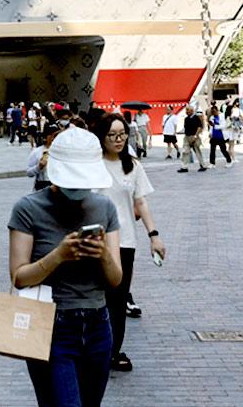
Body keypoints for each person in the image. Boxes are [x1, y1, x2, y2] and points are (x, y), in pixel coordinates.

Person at [8, 127, 123, 407]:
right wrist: (58, 255)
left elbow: (116, 279)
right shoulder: (28, 208)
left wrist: (104, 255)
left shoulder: (104, 207)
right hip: (51, 325)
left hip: (98, 325)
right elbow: (19, 276)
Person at [93, 114, 166, 373]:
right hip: (95, 243)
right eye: (112, 135)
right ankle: (94, 349)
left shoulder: (132, 166)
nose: (118, 139)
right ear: (101, 136)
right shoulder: (91, 165)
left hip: (124, 242)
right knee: (95, 298)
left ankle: (113, 351)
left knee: (118, 299)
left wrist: (153, 235)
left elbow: (141, 202)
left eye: (122, 134)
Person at [26, 123, 63, 191]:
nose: (54, 138)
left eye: (57, 136)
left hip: (59, 187)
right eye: (52, 135)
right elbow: (29, 173)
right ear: (45, 138)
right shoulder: (37, 152)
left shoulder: (63, 152)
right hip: (42, 186)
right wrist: (39, 167)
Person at [177, 105, 207, 173]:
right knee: (185, 152)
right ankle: (184, 167)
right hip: (187, 137)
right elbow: (185, 128)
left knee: (197, 151)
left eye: (187, 110)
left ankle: (203, 165)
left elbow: (199, 127)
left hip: (194, 136)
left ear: (192, 111)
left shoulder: (196, 118)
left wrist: (195, 136)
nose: (186, 112)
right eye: (186, 110)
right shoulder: (186, 119)